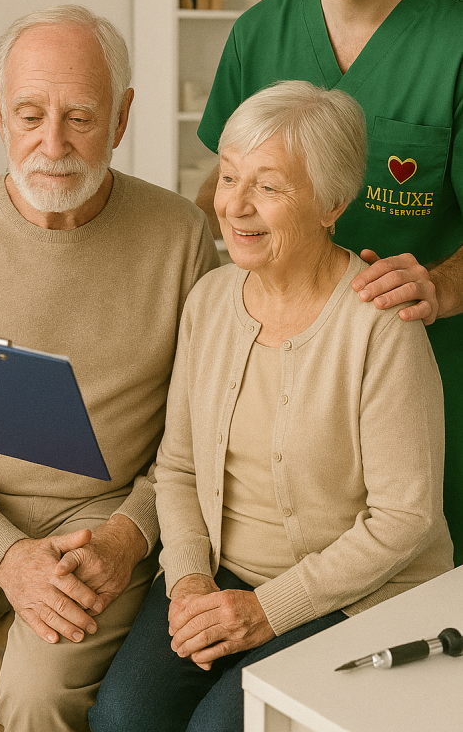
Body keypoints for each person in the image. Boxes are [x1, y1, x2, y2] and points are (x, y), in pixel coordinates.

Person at [0, 5, 219, 732]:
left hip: (101, 517)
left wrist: (129, 535)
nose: (52, 145)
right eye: (29, 115)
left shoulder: (180, 235)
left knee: (37, 698)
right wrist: (4, 554)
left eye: (80, 118)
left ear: (121, 118)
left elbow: (201, 427)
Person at [91, 81, 453, 732]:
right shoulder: (207, 300)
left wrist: (265, 610)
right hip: (222, 578)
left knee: (219, 729)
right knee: (122, 717)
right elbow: (175, 469)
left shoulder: (379, 324)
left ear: (332, 203)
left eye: (269, 186)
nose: (236, 206)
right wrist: (190, 581)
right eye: (229, 177)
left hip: (357, 596)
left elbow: (405, 519)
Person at [195, 0, 463, 563]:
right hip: (276, 393)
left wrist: (442, 287)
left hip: (421, 388)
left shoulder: (453, 44)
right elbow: (219, 188)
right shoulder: (259, 33)